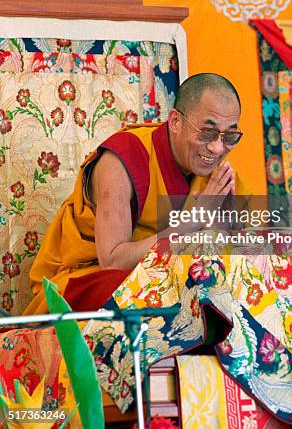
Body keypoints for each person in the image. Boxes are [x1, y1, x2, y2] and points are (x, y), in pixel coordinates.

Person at [24, 73, 249, 314]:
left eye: (229, 136)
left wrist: (222, 232)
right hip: (91, 279)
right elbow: (112, 262)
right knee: (167, 293)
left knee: (236, 287)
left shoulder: (216, 174)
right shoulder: (123, 160)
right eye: (207, 132)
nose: (217, 148)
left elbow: (242, 257)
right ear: (175, 122)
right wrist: (190, 223)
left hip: (164, 279)